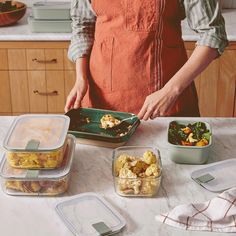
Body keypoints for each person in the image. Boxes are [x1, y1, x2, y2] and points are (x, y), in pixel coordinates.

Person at [65, 0, 228, 120]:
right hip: (100, 101)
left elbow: (213, 34)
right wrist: (81, 78)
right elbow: (82, 28)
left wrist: (170, 91)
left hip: (164, 103)